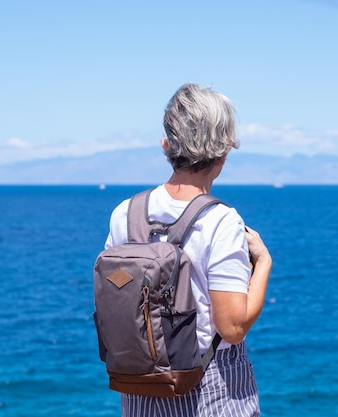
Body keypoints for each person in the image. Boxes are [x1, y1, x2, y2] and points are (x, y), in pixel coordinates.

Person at [104, 83, 272, 416]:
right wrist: (264, 262)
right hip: (210, 390)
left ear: (167, 145)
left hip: (140, 388)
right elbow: (232, 328)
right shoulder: (220, 221)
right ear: (225, 150)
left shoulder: (125, 213)